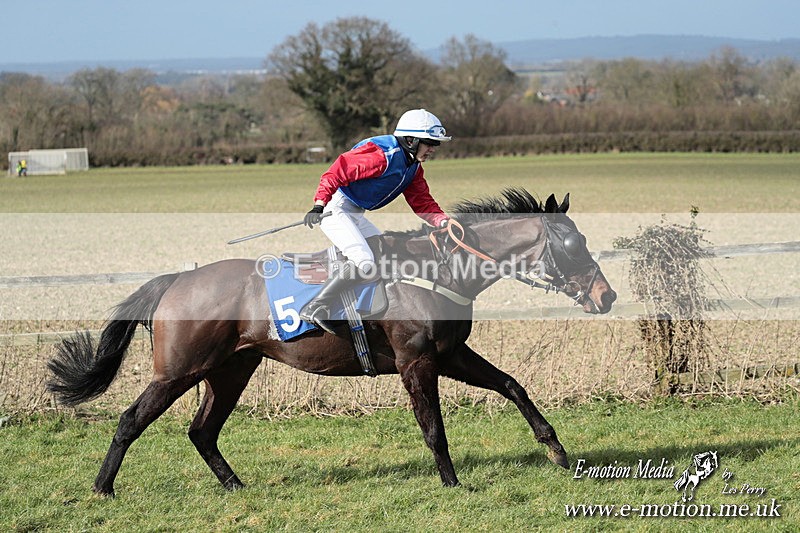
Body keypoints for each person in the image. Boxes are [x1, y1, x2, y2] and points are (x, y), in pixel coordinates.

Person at [300, 108, 452, 333]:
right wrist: (319, 204)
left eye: (435, 144)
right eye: (429, 143)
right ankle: (316, 308)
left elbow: (423, 203)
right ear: (410, 140)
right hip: (335, 208)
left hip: (355, 211)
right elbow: (335, 172)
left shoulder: (413, 168)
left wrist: (444, 222)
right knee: (364, 260)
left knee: (383, 250)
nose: (432, 149)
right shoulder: (382, 155)